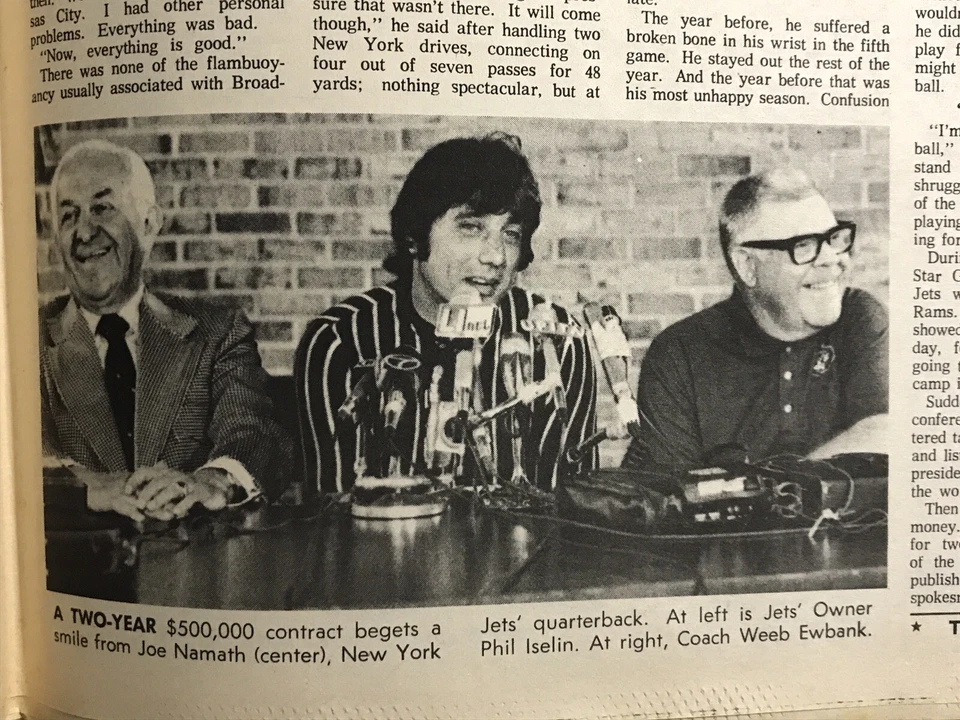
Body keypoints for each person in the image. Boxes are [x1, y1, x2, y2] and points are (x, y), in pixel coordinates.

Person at [295, 134, 597, 493]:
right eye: (471, 227)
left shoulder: (558, 343)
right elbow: (335, 510)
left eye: (511, 233)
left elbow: (569, 512)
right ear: (415, 234)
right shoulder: (340, 341)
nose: (496, 257)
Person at [40, 140, 292, 521]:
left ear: (149, 223)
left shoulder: (218, 333)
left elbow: (254, 432)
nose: (85, 232)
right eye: (69, 216)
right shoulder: (22, 344)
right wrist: (84, 486)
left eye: (102, 208)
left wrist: (212, 482)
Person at [623, 167, 888, 469]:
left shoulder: (860, 316)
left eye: (834, 238)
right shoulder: (679, 353)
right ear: (748, 265)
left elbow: (881, 435)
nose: (831, 260)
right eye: (804, 245)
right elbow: (670, 498)